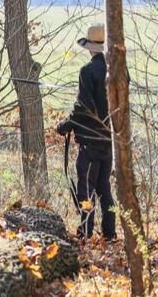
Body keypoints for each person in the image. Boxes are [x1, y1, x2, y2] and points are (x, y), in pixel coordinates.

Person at [56, 24, 116, 241]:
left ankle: (85, 231)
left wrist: (65, 126)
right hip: (109, 143)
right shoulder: (116, 70)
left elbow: (82, 107)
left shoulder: (87, 71)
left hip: (90, 145)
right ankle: (110, 233)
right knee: (105, 191)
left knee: (86, 192)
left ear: (90, 47)